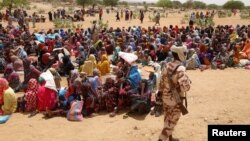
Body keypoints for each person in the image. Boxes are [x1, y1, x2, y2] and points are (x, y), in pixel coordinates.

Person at [158, 41, 191, 141]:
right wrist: (188, 81)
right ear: (180, 54)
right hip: (175, 100)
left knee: (167, 118)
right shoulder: (180, 68)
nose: (185, 55)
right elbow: (186, 88)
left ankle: (170, 139)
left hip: (165, 97)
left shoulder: (167, 65)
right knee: (171, 124)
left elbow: (161, 83)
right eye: (184, 53)